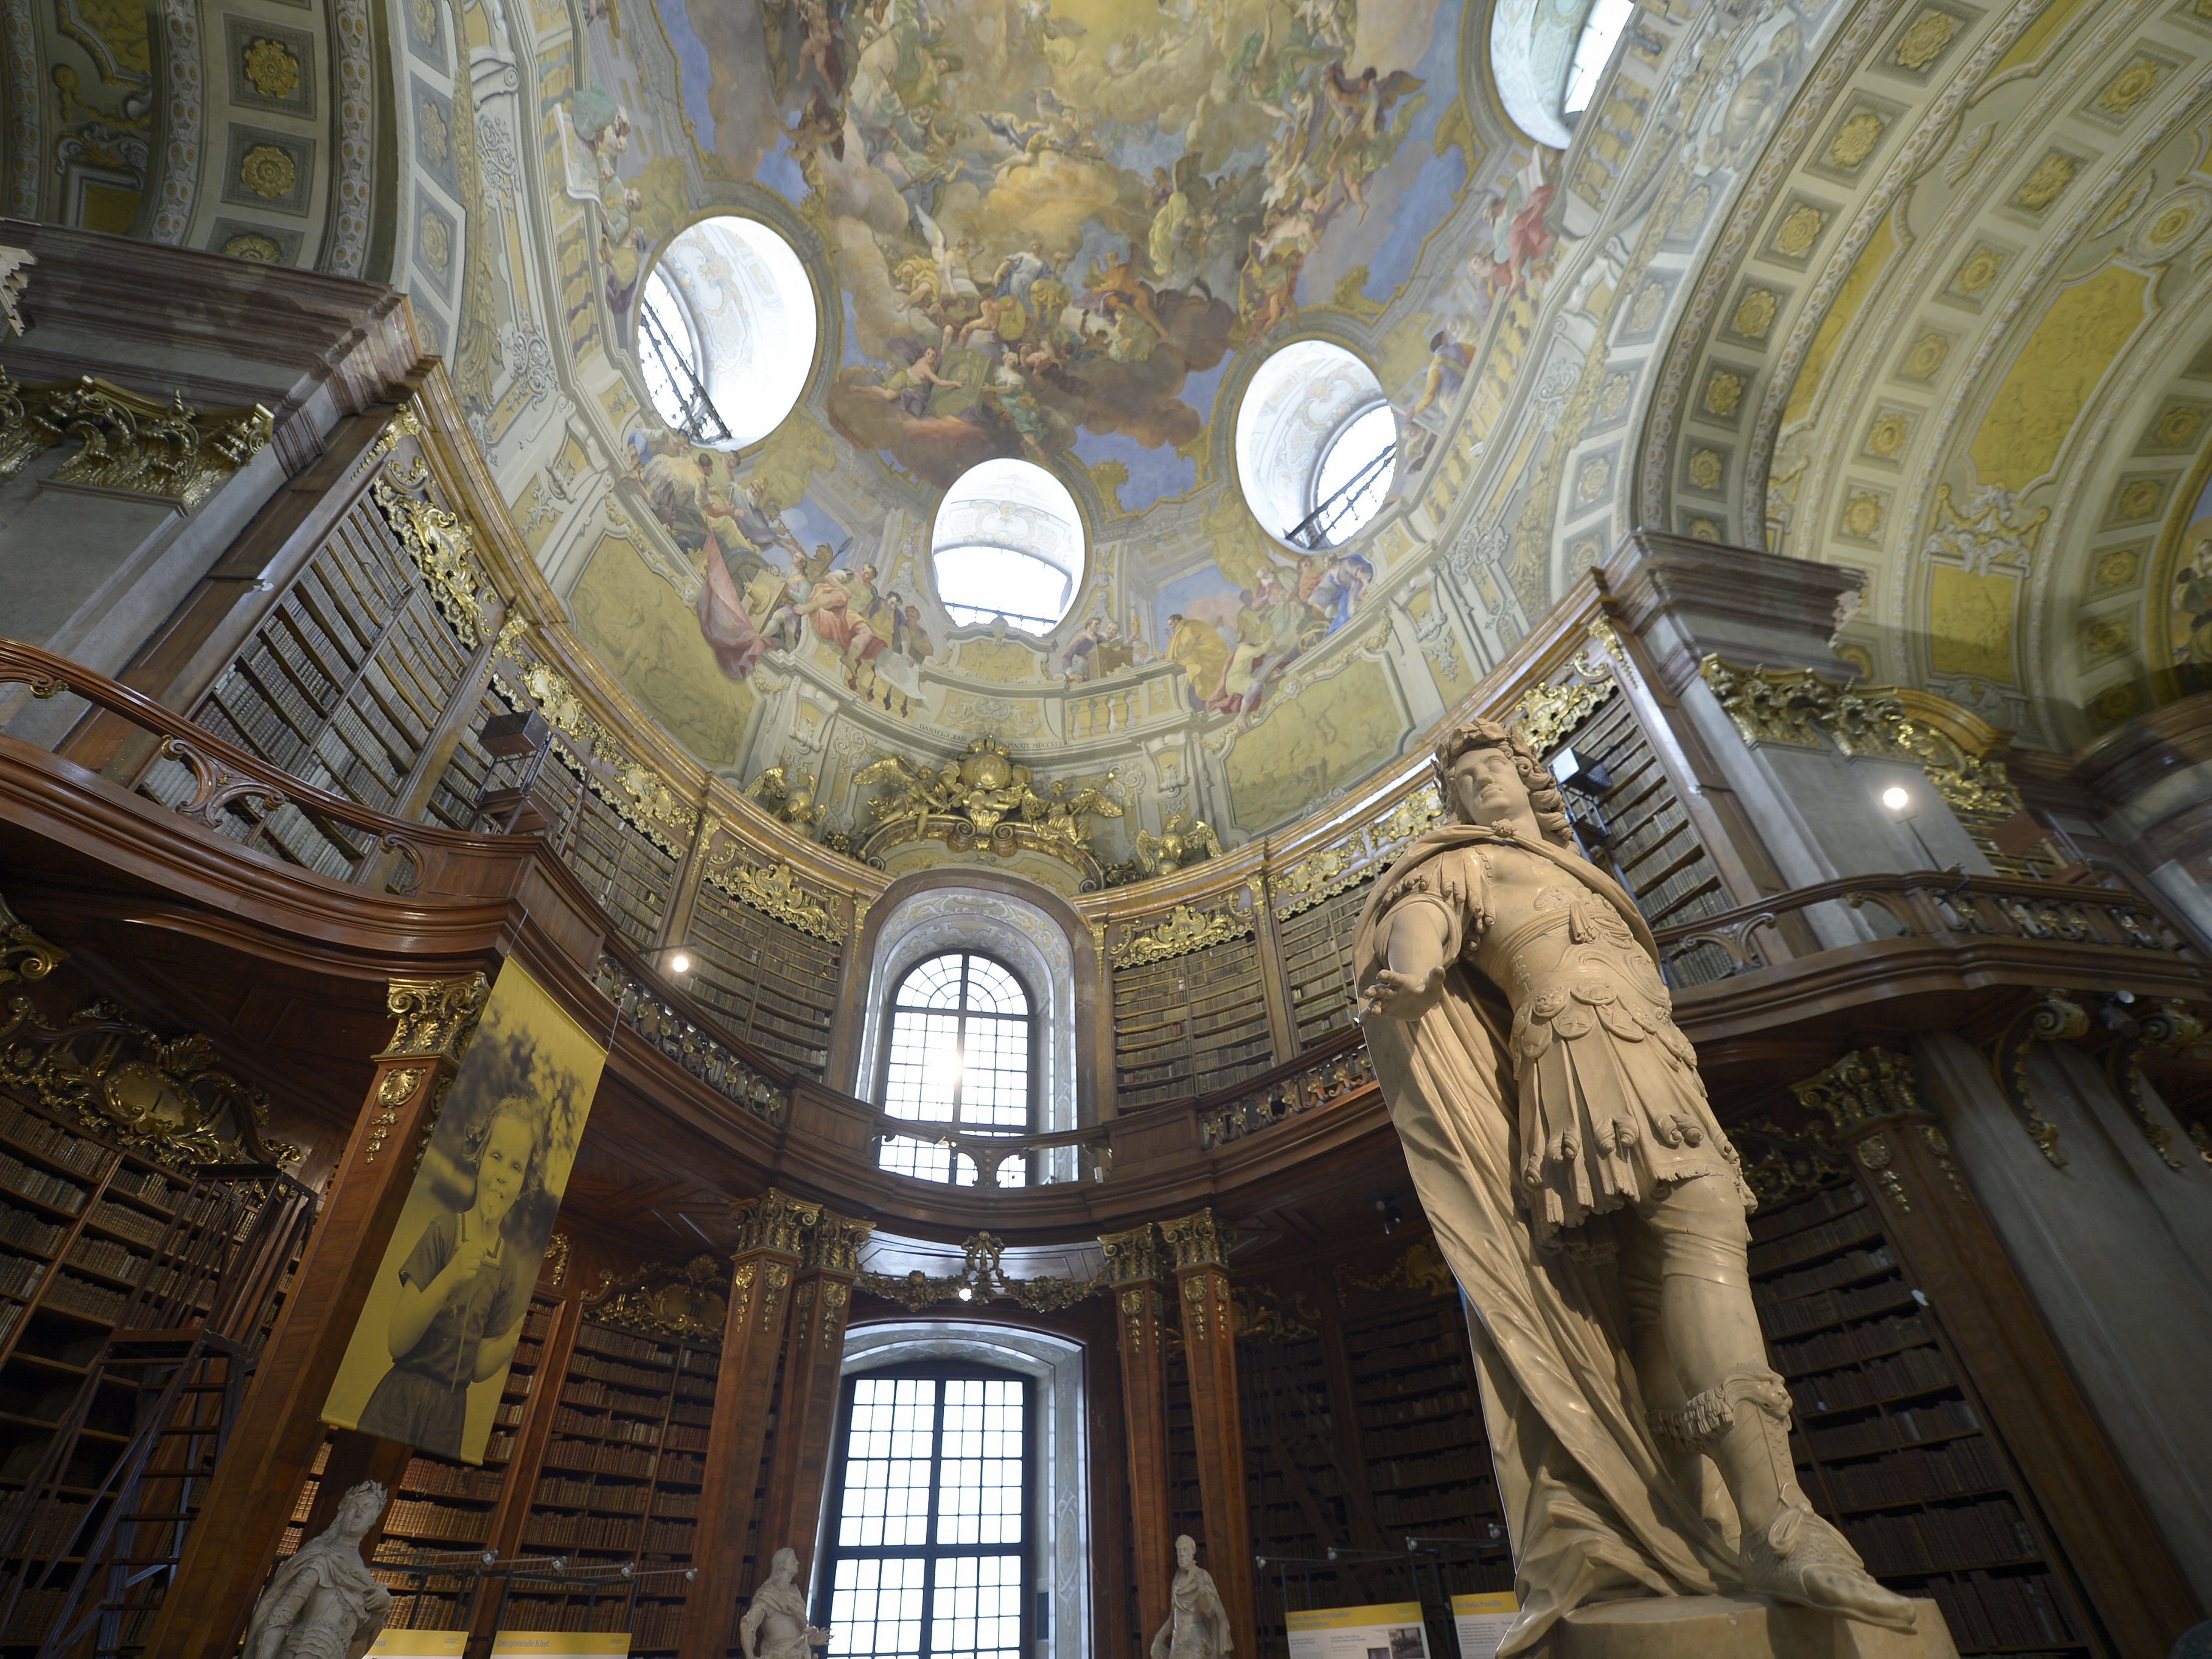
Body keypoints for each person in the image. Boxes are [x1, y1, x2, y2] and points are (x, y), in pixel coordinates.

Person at [1355, 720, 1918, 1655]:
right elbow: (1425, 907)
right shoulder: (1466, 862)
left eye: (1493, 768)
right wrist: (1408, 964)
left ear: (1528, 778)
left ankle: (1712, 1523)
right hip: (1576, 1068)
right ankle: (1776, 1520)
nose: (1480, 786)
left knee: (1650, 1300)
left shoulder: (1583, 874)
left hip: (1655, 1062)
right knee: (1679, 1253)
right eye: (1463, 779)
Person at [355, 1100, 537, 1456]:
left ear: (524, 1183)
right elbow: (398, 1341)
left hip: (450, 1412)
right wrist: (451, 1276)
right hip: (402, 1395)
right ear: (480, 1159)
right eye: (496, 1157)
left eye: (516, 1167)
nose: (502, 1175)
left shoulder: (508, 1267)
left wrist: (512, 1340)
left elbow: (479, 1368)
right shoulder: (446, 1231)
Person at [240, 1481, 391, 1659]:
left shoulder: (364, 1576)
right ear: (342, 1511)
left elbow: (357, 1635)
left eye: (366, 1508)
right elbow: (279, 1617)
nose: (358, 1514)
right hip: (303, 1651)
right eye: (353, 1507)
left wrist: (381, 1608)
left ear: (373, 1519)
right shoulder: (319, 1559)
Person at [741, 1546, 832, 1659]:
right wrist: (750, 1656)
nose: (798, 1563)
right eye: (794, 1560)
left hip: (801, 1654)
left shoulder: (795, 1593)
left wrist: (811, 1640)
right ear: (783, 1565)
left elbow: (794, 1634)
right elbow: (748, 1624)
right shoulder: (768, 1595)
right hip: (778, 1655)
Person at [1150, 1534, 1231, 1659]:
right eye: (1179, 1551)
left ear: (1192, 1552)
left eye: (1185, 1550)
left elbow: (1211, 1612)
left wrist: (1203, 1592)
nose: (1182, 1554)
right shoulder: (1176, 1580)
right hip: (1177, 1643)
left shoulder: (1201, 1576)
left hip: (1195, 1640)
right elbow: (1173, 1618)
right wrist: (1160, 1637)